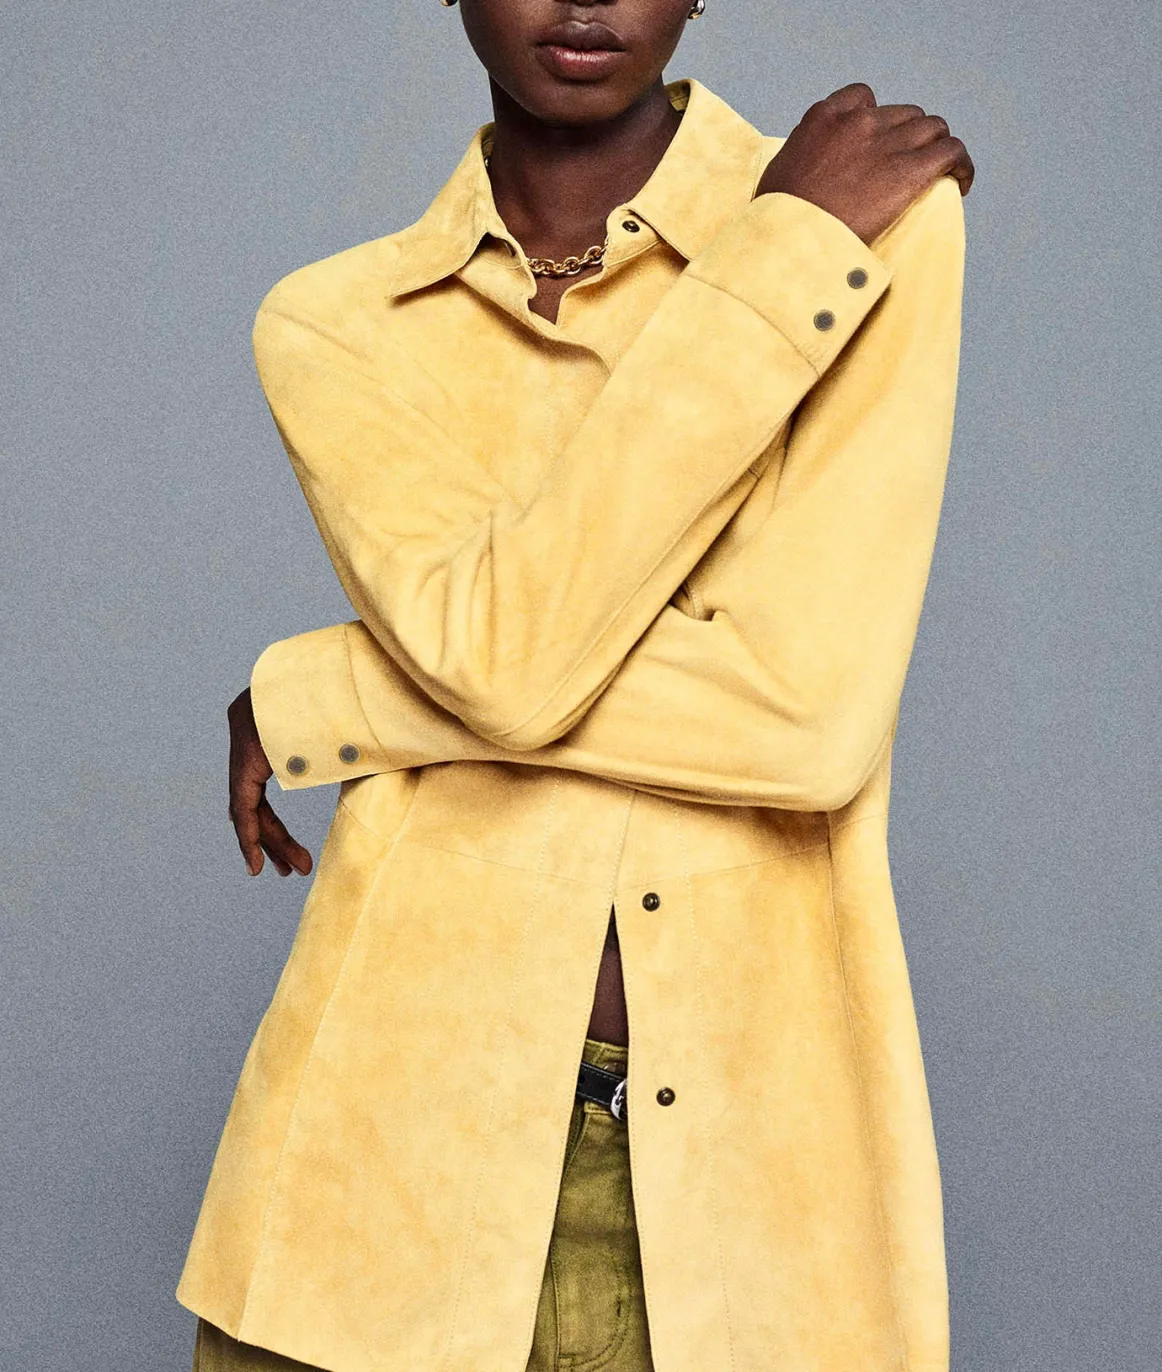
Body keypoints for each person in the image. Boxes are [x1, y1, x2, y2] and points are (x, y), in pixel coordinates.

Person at [179, 1, 974, 1368]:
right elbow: (504, 667)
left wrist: (338, 694)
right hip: (370, 1179)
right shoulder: (339, 324)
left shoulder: (874, 221)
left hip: (757, 1196)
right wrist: (778, 265)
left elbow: (805, 719)